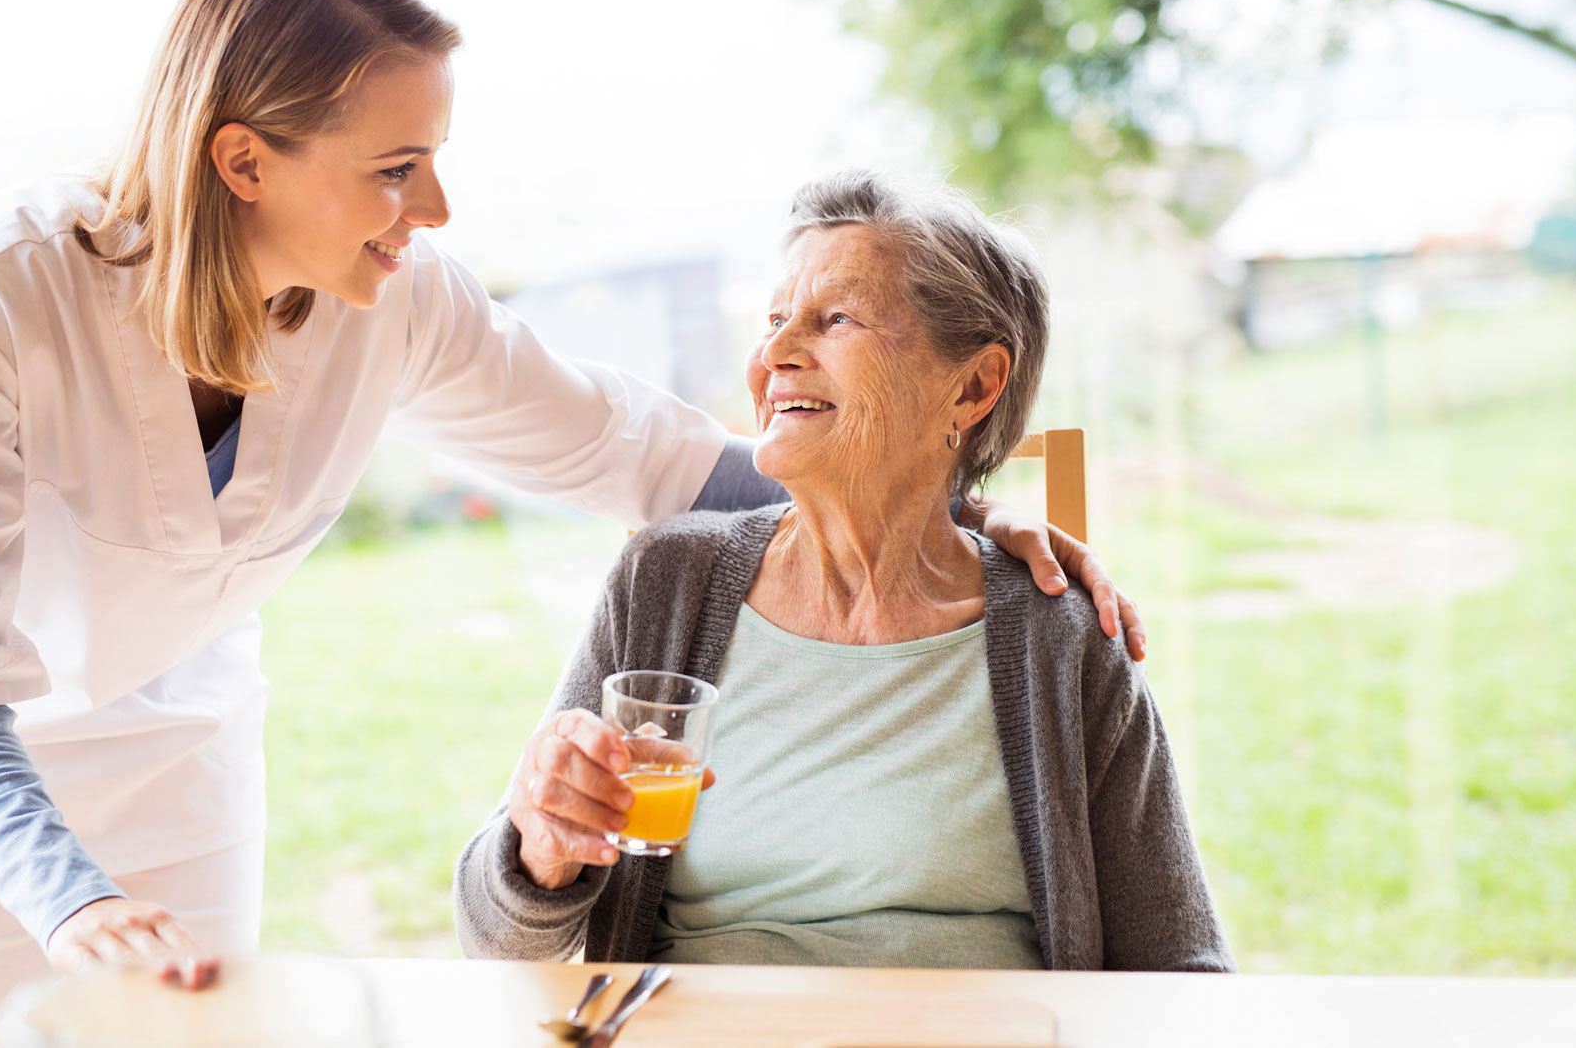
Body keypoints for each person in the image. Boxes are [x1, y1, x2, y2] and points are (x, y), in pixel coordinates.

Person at [0, 0, 1145, 1045]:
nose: (435, 204)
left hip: (173, 716)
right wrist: (72, 904)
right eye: (395, 168)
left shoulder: (393, 301)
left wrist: (956, 524)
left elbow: (643, 454)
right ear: (243, 162)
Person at [454, 170, 1231, 972]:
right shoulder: (664, 583)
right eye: (775, 318)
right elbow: (496, 939)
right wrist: (540, 846)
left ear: (972, 386)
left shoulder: (1058, 633)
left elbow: (1184, 966)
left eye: (835, 319)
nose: (776, 353)